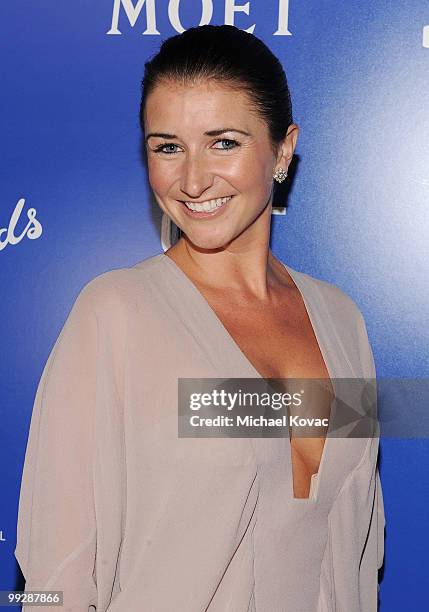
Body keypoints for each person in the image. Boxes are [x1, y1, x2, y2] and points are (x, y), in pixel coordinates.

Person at [15, 24, 385, 611]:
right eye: (167, 147)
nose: (191, 180)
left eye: (224, 143)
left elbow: (361, 548)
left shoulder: (342, 324)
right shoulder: (115, 315)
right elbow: (52, 580)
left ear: (283, 149)